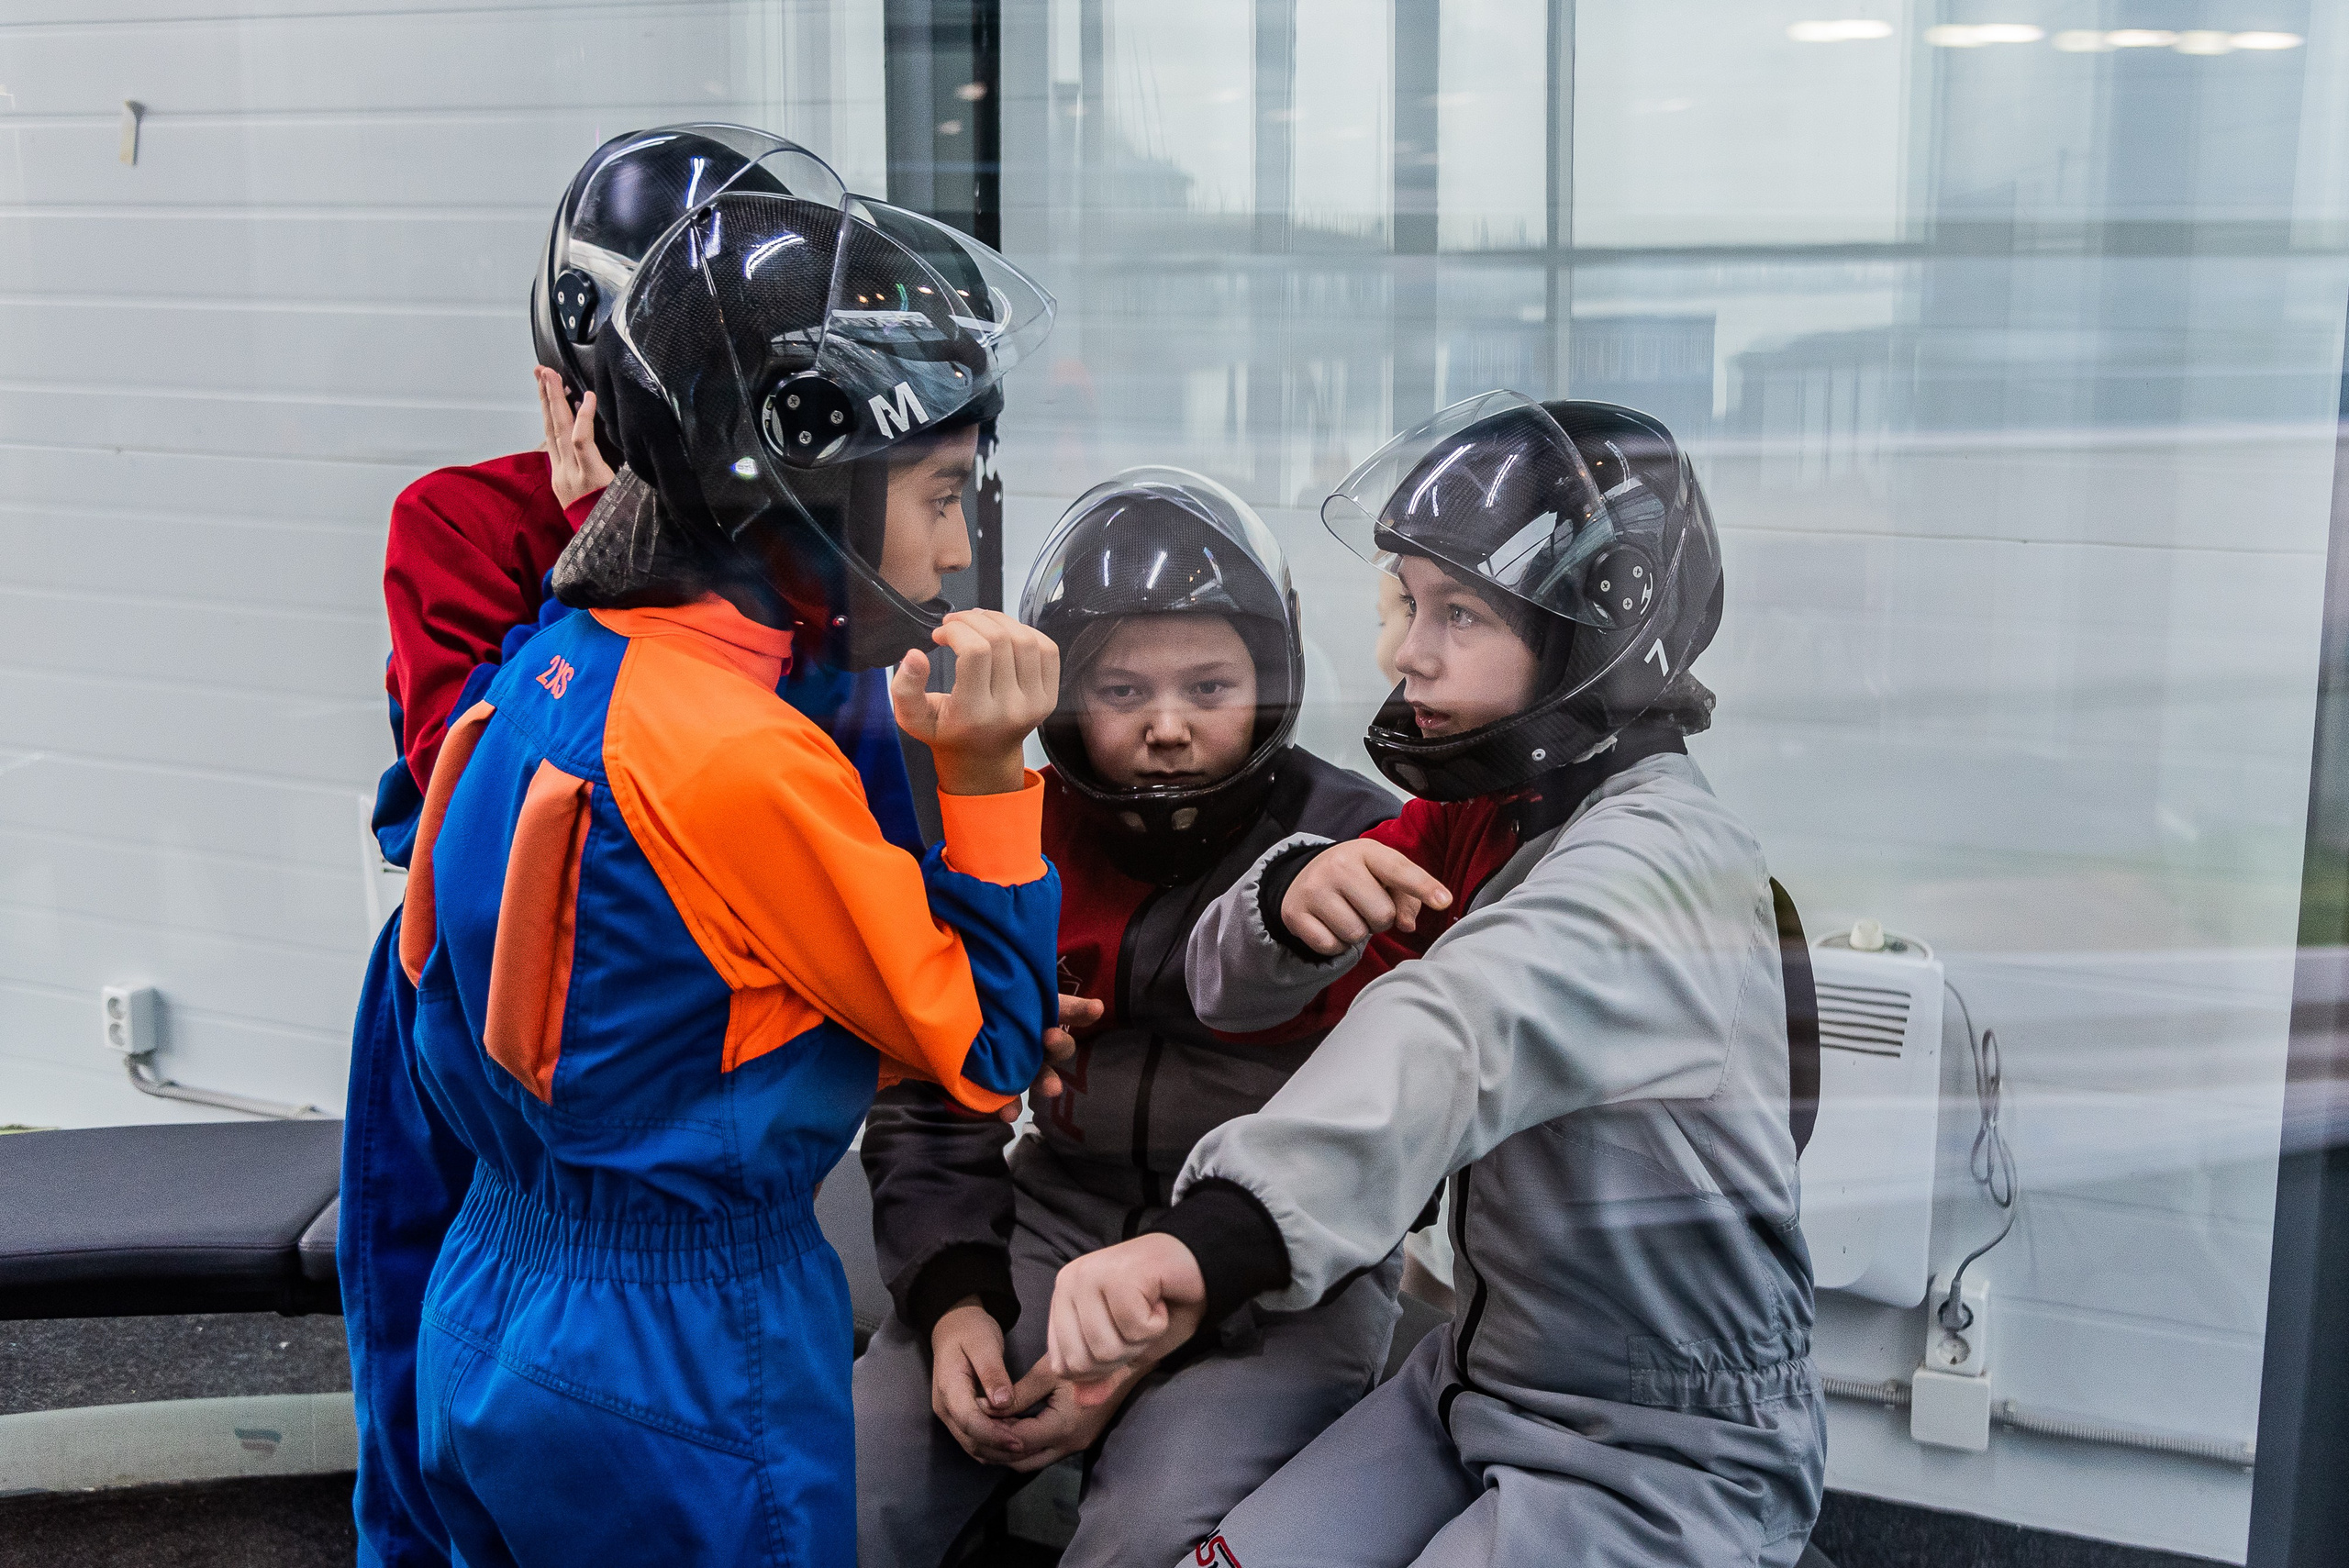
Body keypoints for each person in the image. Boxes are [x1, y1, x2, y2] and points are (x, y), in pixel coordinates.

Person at [398, 145, 1063, 1566]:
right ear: (807, 490)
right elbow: (992, 1048)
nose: (954, 554)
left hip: (493, 1294)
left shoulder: (557, 667)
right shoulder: (741, 752)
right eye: (942, 496)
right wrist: (991, 774)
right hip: (681, 1350)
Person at [1044, 395, 1826, 1568]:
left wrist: (1213, 1236)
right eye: (1408, 603)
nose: (1405, 651)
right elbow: (1229, 989)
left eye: (1455, 613)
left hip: (1656, 1443)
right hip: (1474, 1374)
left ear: (1592, 630)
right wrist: (1284, 906)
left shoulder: (1656, 861)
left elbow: (1446, 1028)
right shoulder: (1499, 821)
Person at [852, 469, 1402, 1567]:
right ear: (1064, 700)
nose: (1165, 728)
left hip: (1285, 1273)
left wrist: (1149, 1334)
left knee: (1147, 1537)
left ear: (1273, 681)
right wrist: (955, 1297)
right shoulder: (1010, 827)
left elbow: (1405, 1136)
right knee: (852, 1485)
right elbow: (932, 1087)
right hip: (1057, 1214)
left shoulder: (1355, 847)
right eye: (1120, 692)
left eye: (1209, 686)